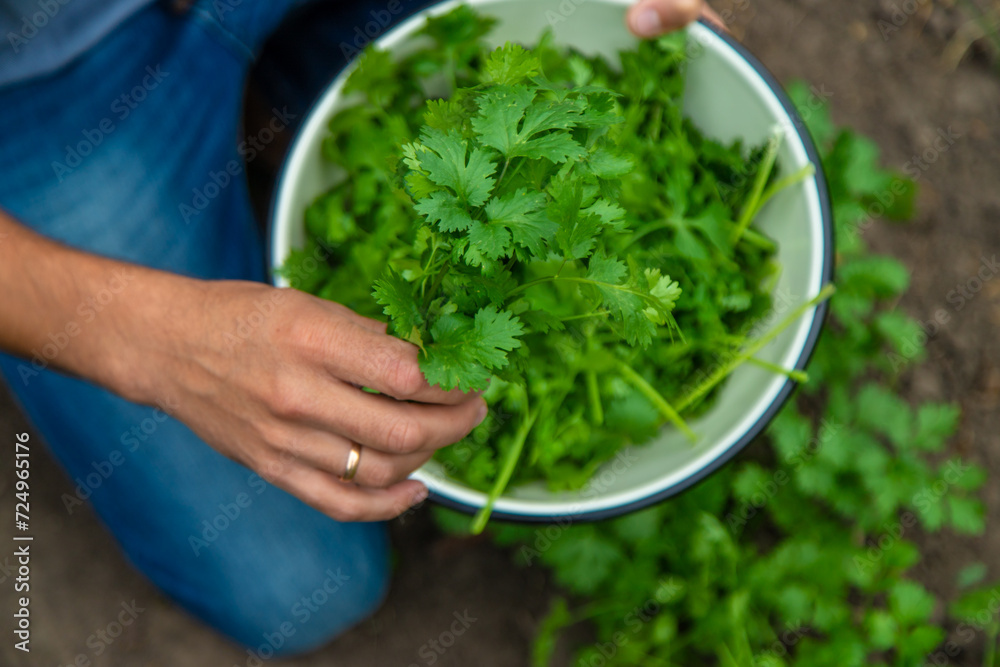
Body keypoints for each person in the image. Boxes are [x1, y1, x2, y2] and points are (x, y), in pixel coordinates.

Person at [0, 0, 714, 656]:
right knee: (299, 586)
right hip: (41, 76)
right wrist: (148, 339)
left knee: (549, 50)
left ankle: (269, 108)